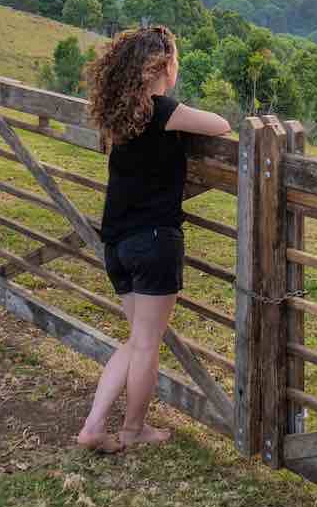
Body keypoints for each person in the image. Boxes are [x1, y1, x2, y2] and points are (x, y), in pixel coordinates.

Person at [75, 24, 232, 452]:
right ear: (163, 66)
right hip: (154, 240)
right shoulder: (163, 111)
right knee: (146, 343)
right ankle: (132, 429)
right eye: (175, 59)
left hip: (117, 243)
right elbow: (221, 125)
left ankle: (93, 427)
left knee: (136, 339)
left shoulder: (120, 116)